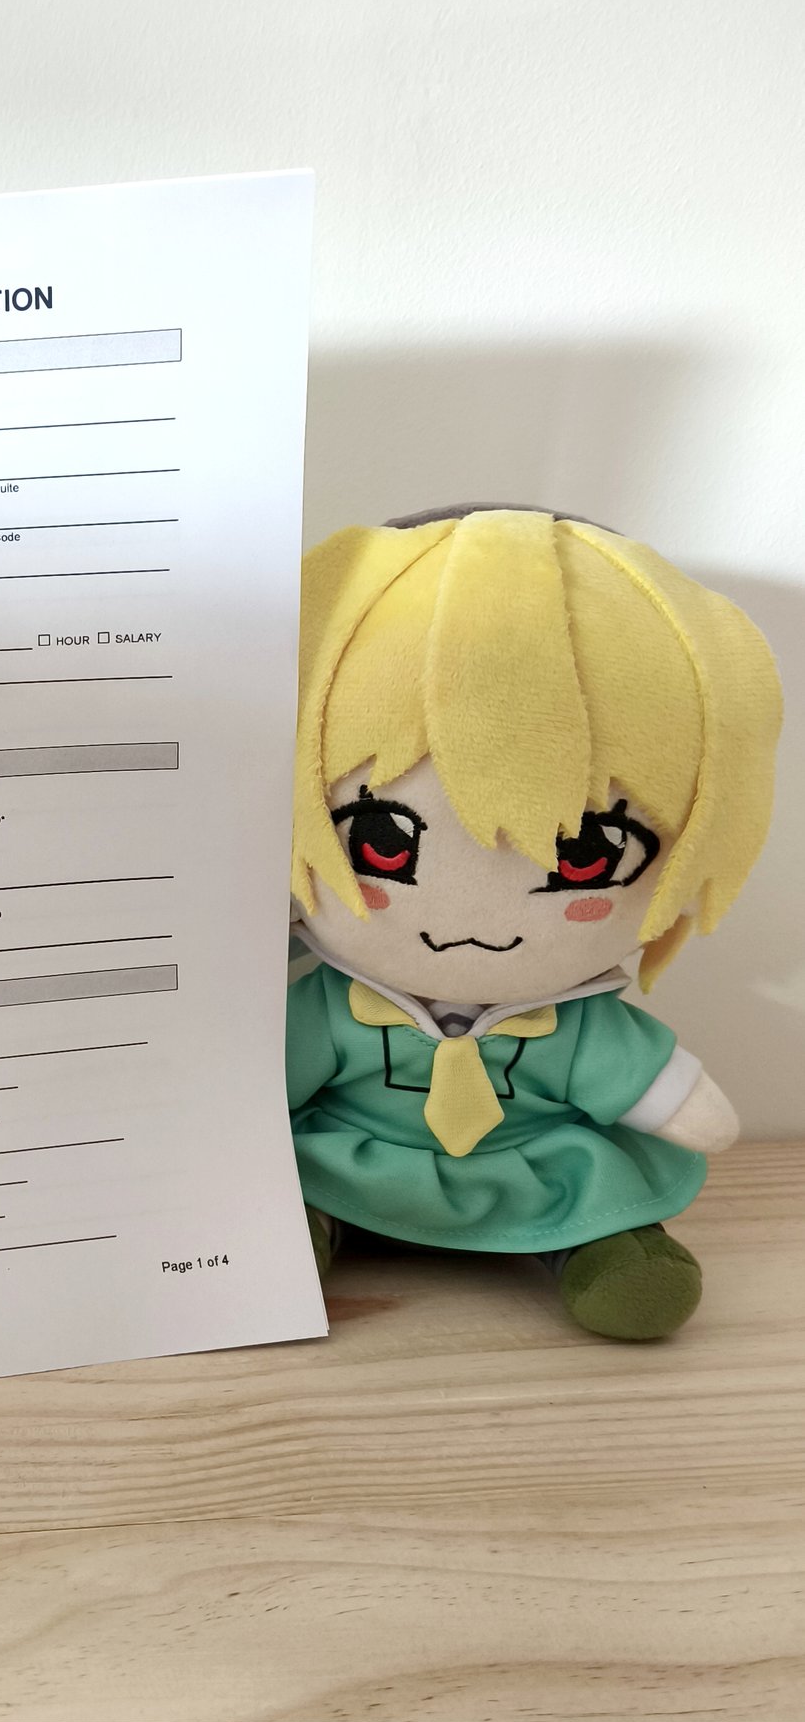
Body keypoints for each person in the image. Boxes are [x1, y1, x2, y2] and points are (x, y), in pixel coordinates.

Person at [288, 507, 781, 1338]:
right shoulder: (326, 1011)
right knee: (279, 1217)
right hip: (350, 1164)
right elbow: (257, 1091)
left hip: (537, 1169)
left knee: (606, 1223)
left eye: (585, 858)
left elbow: (687, 1111)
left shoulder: (577, 1028)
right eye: (379, 843)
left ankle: (596, 1250)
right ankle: (307, 1230)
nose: (475, 920)